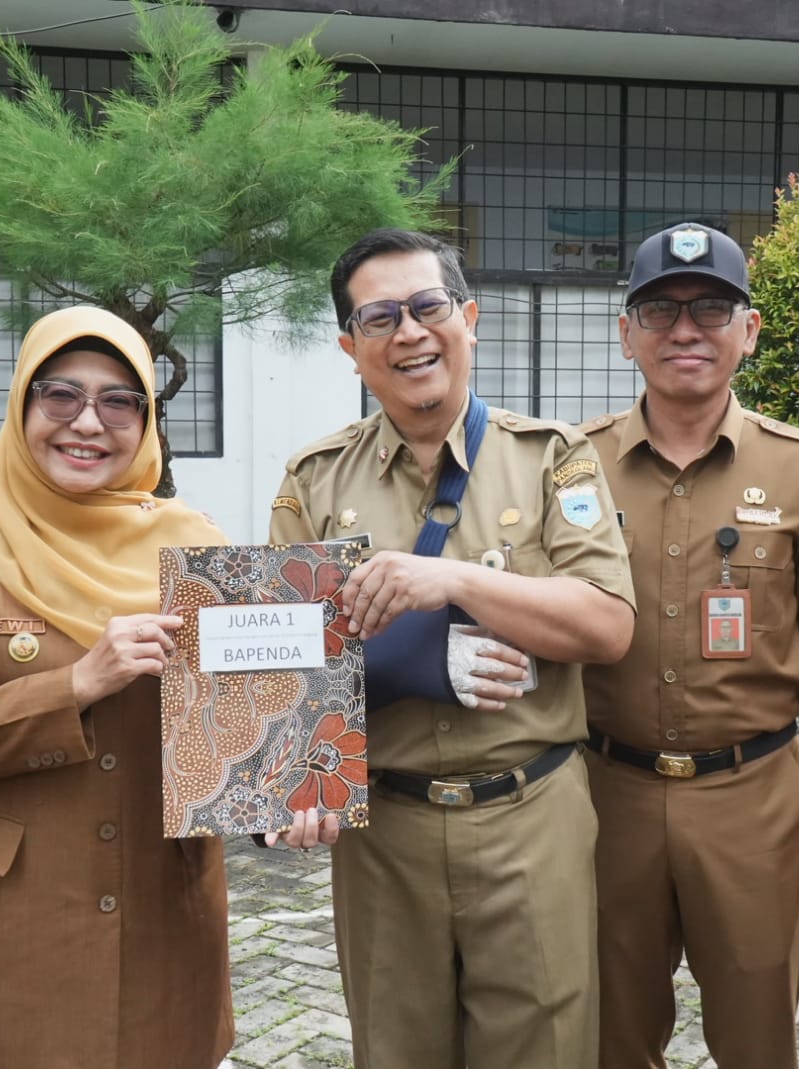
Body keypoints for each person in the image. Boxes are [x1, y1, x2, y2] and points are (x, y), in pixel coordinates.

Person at [267, 227, 636, 1068]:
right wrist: (288, 787)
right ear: (349, 347)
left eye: (429, 306)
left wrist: (460, 583)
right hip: (383, 829)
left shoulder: (552, 460)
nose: (409, 332)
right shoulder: (314, 480)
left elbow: (607, 624)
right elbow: (284, 668)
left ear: (469, 318)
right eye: (380, 317)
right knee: (396, 1051)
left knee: (544, 1049)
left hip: (530, 814)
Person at [0, 305, 234, 1069]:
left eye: (120, 400)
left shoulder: (200, 547)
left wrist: (285, 804)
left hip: (164, 903)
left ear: (146, 422)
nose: (88, 422)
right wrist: (78, 682)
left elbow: (239, 724)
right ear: (23, 405)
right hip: (19, 911)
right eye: (61, 395)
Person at [579, 221, 799, 1068]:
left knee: (756, 1036)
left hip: (752, 797)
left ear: (748, 331)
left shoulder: (794, 465)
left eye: (711, 308)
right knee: (610, 1035)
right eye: (661, 309)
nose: (685, 330)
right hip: (608, 794)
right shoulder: (573, 466)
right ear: (627, 332)